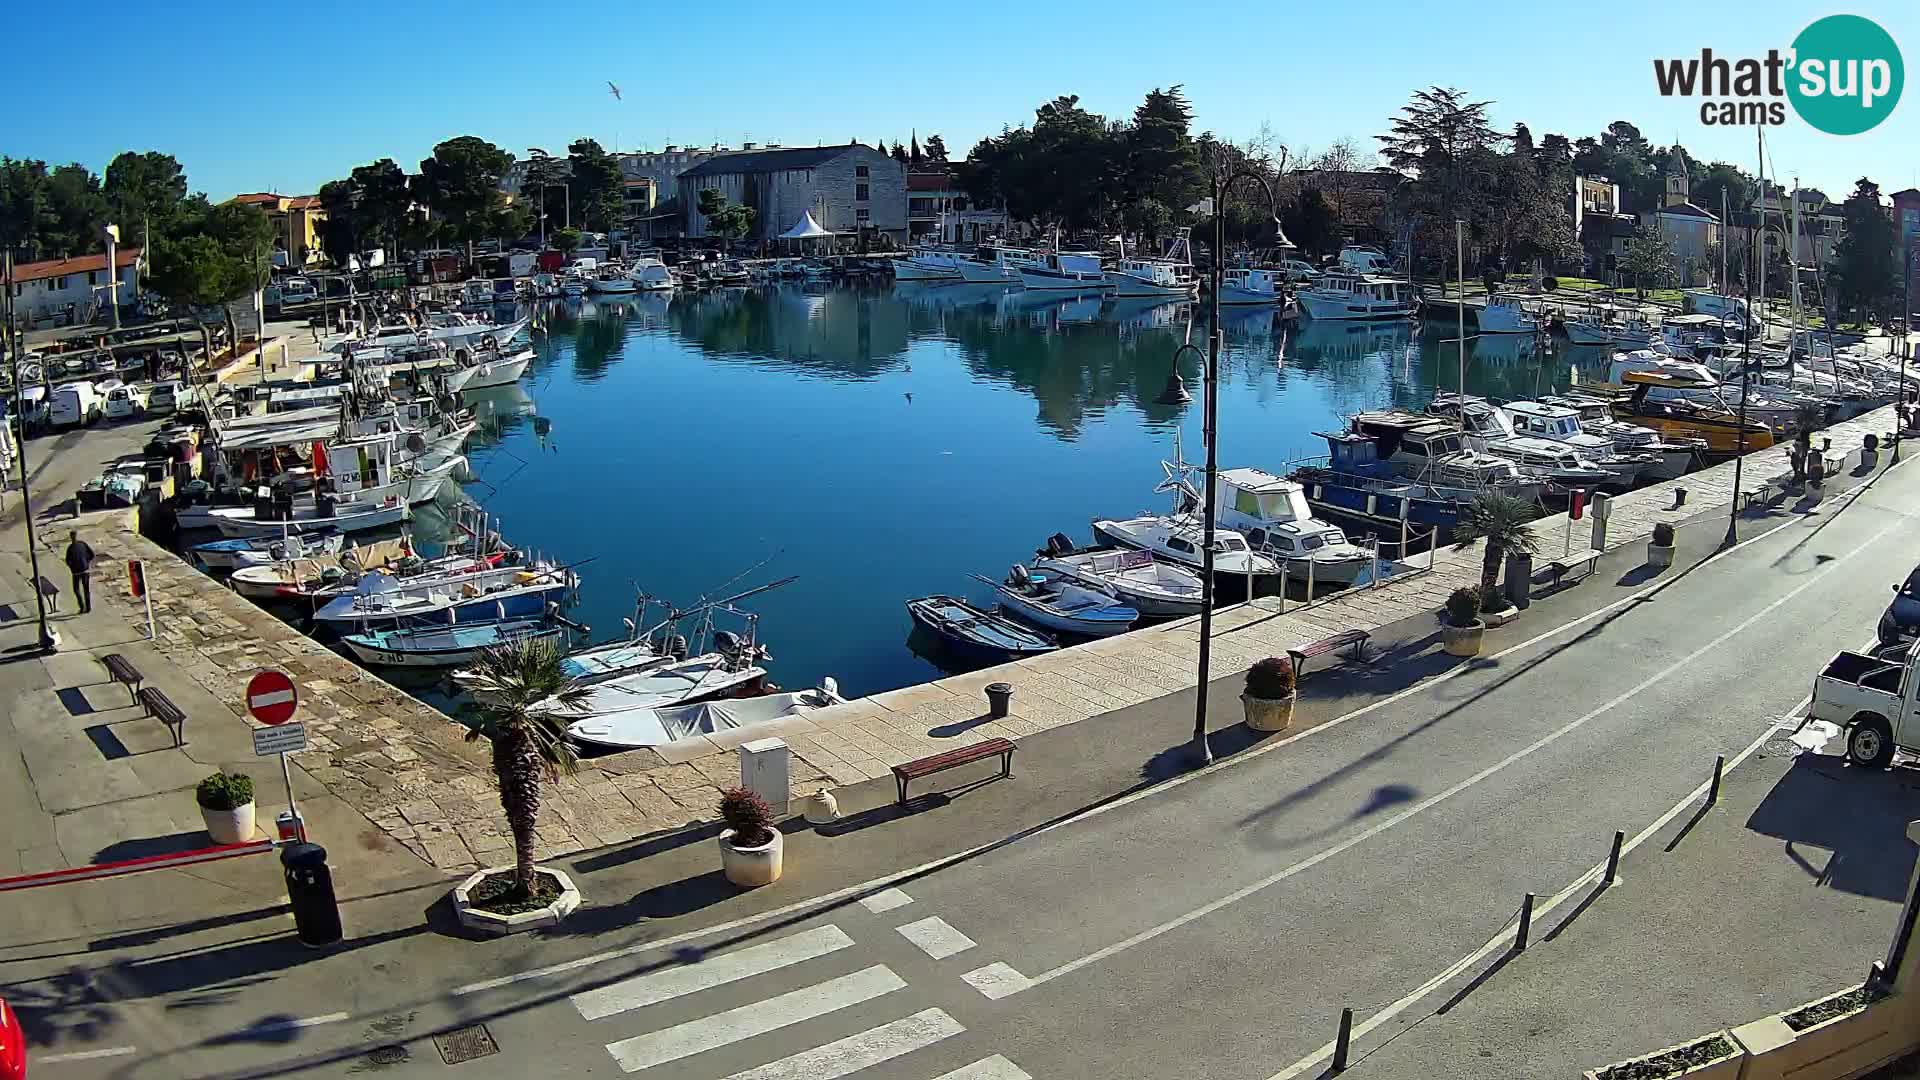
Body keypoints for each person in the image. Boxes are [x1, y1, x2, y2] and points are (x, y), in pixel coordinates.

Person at [63, 531, 95, 614]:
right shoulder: (82, 544)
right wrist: (86, 562)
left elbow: (67, 560)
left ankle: (82, 607)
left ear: (71, 537)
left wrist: (72, 567)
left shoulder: (70, 548)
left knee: (76, 590)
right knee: (86, 589)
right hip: (84, 571)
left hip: (76, 573)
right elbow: (92, 555)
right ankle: (88, 608)